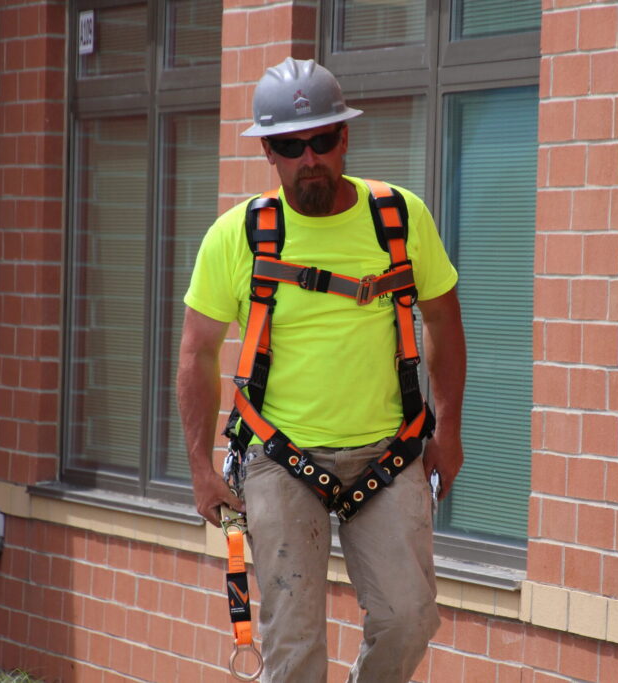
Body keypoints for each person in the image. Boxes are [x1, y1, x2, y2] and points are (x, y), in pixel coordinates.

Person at [177, 57, 466, 683]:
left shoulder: (399, 217)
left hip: (391, 452)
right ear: (269, 153)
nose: (310, 158)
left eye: (323, 139)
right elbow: (197, 352)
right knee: (295, 646)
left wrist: (449, 430)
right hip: (279, 458)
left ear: (345, 138)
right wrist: (201, 469)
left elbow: (444, 322)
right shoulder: (239, 236)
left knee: (410, 616)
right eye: (290, 144)